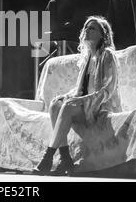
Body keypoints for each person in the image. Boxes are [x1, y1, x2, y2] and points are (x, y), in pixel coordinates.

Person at [33, 15, 121, 176]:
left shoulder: (107, 55)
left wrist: (79, 100)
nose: (86, 30)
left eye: (92, 28)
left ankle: (48, 157)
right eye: (86, 27)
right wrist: (66, 96)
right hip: (85, 105)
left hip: (101, 106)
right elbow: (80, 89)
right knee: (55, 104)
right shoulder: (87, 57)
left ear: (103, 34)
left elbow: (107, 90)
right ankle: (65, 160)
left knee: (68, 105)